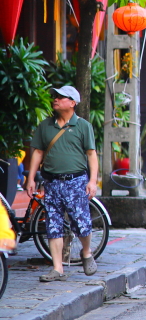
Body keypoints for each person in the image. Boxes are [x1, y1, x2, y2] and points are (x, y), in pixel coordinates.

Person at [26, 86, 99, 281]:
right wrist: (31, 178)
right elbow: (38, 153)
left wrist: (92, 181)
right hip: (51, 182)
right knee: (53, 224)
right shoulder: (45, 126)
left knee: (81, 223)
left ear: (73, 103)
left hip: (75, 181)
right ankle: (58, 268)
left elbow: (91, 155)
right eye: (55, 97)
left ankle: (86, 251)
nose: (55, 99)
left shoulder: (83, 126)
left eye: (61, 97)